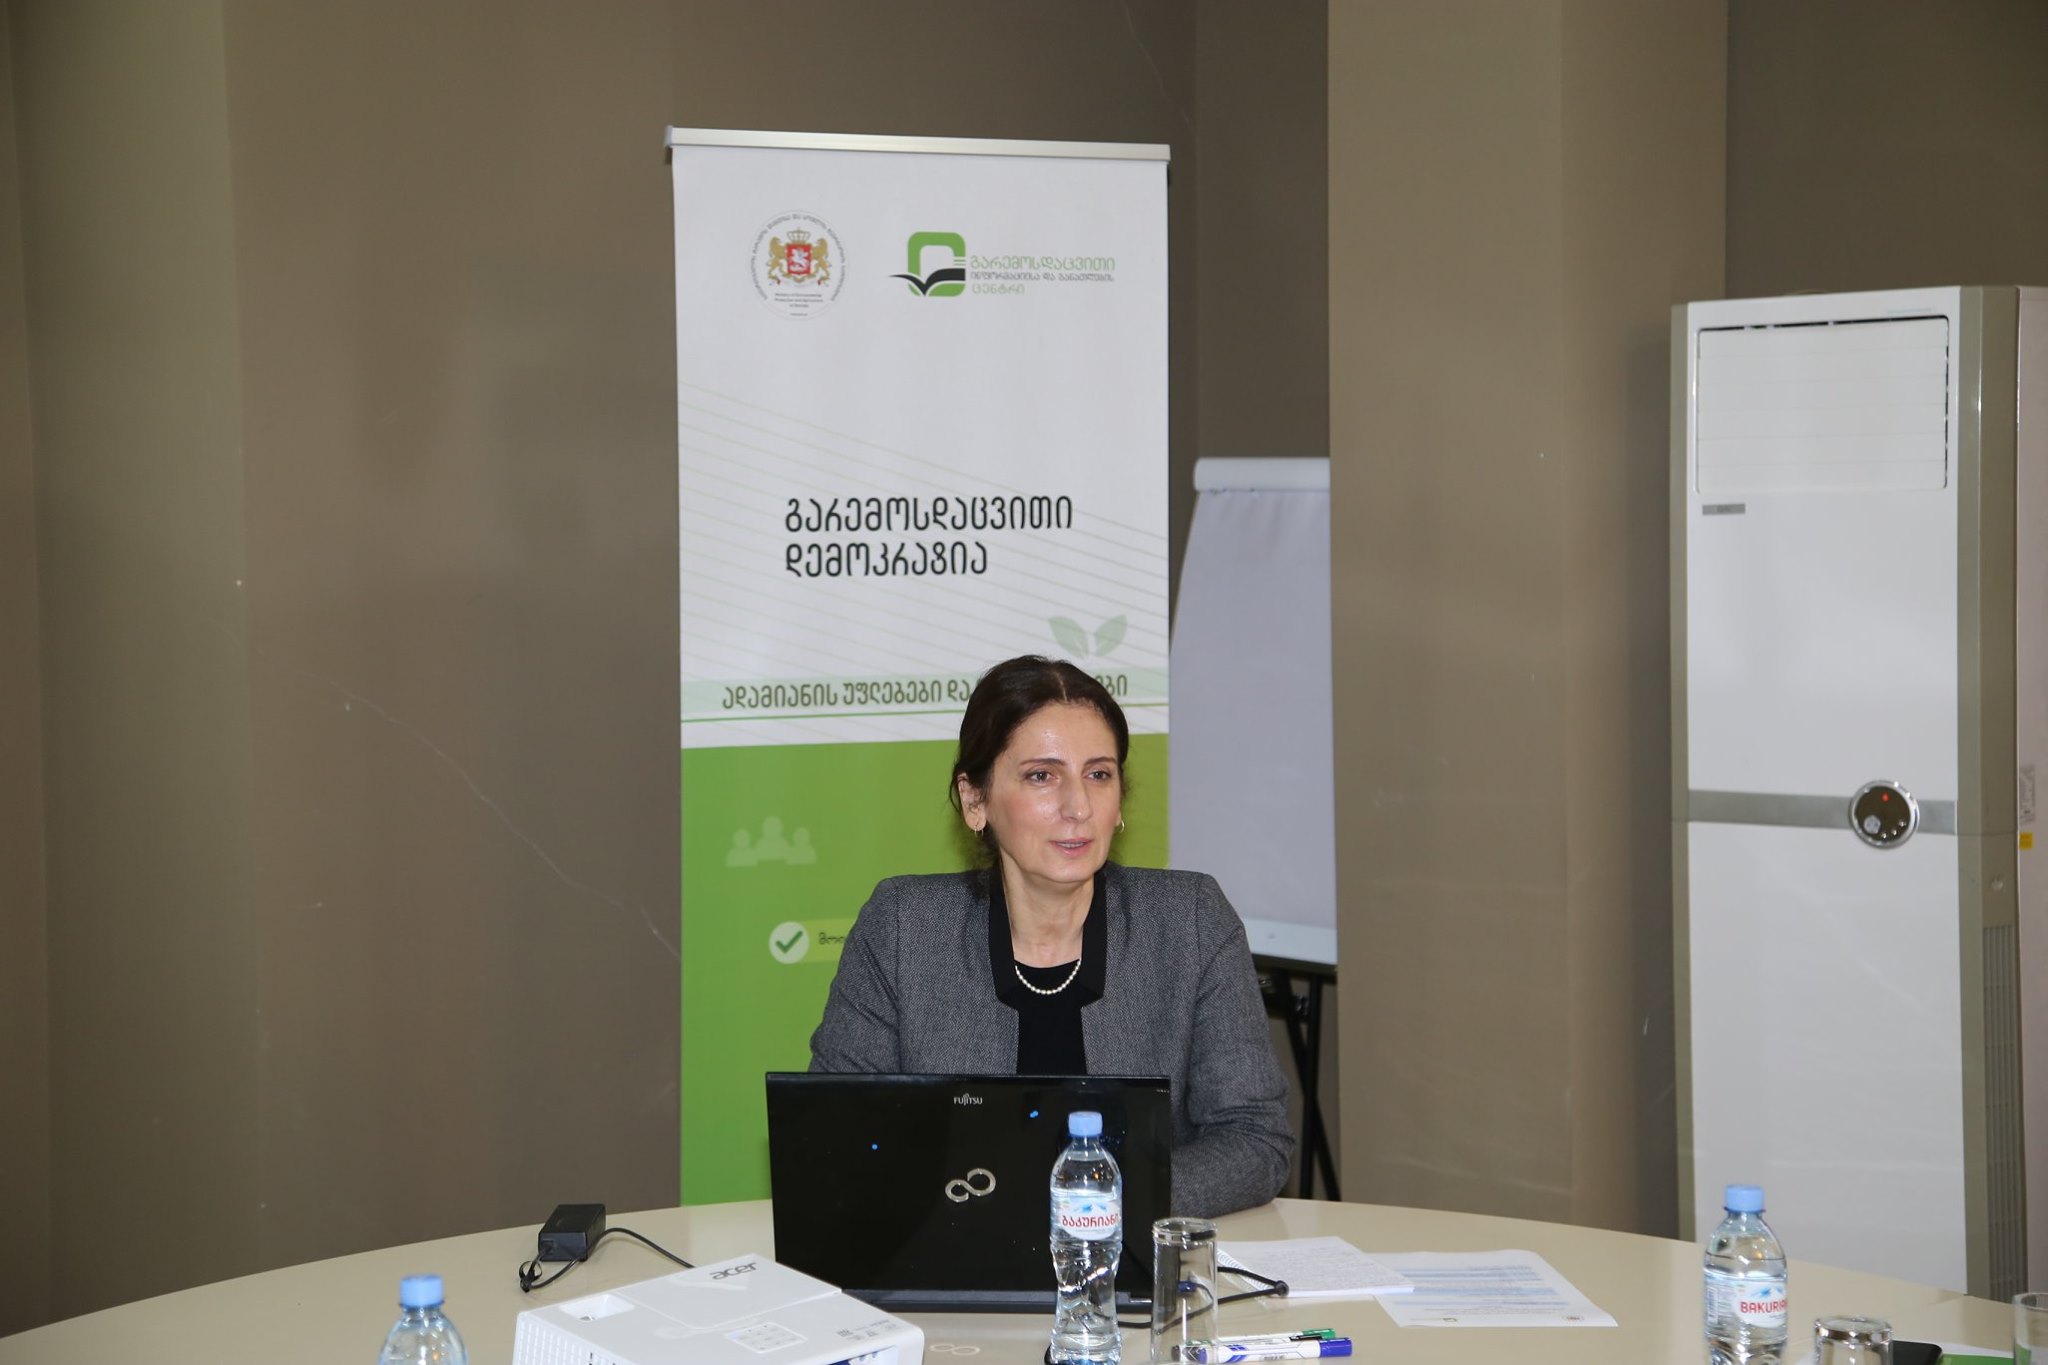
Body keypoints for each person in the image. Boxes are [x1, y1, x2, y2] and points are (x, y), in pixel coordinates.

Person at [809, 655, 1294, 1218]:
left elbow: (1255, 1139)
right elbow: (834, 1132)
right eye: (1042, 776)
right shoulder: (903, 928)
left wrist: (1095, 1202)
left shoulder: (1189, 920)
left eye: (1098, 774)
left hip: (1133, 1256)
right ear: (975, 800)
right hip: (955, 1251)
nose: (1078, 807)